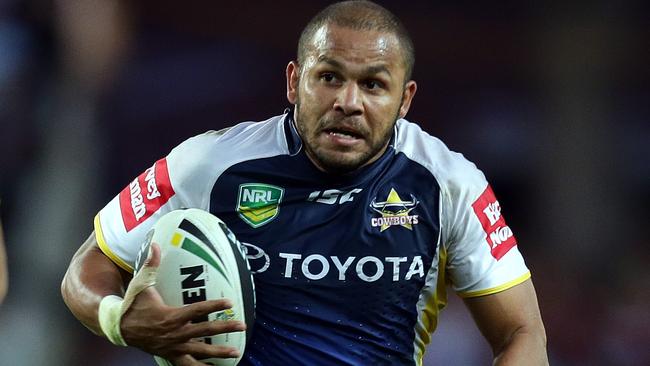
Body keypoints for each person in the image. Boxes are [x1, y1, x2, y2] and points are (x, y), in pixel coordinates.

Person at [61, 1, 547, 365]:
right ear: (294, 82)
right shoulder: (209, 164)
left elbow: (522, 331)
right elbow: (86, 269)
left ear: (405, 99)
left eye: (374, 84)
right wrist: (117, 320)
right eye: (329, 77)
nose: (348, 102)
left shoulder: (448, 183)